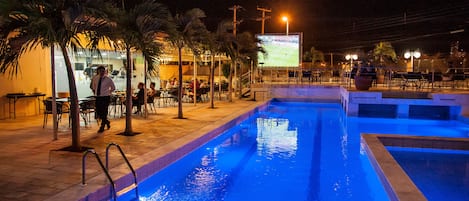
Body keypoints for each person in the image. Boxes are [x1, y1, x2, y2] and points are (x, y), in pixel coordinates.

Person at [91, 66, 116, 133]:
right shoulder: (95, 78)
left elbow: (113, 88)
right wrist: (95, 94)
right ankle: (107, 122)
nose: (102, 72)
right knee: (99, 111)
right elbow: (93, 87)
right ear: (98, 71)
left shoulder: (108, 79)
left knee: (104, 111)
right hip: (98, 97)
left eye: (103, 71)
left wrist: (108, 92)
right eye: (100, 71)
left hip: (105, 97)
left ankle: (102, 126)